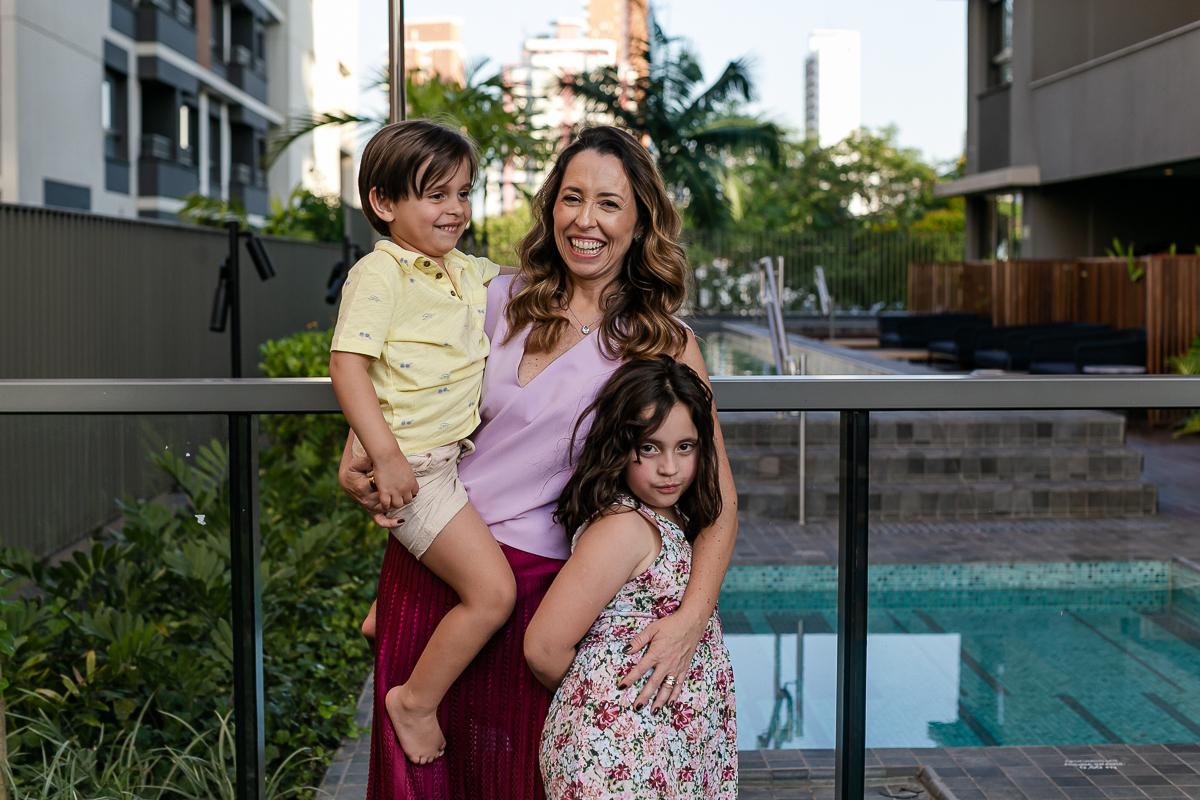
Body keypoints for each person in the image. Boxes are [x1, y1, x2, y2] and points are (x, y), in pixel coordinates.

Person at [340, 125, 738, 799]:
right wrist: (359, 448)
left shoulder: (665, 345)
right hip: (434, 563)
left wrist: (690, 620)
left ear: (640, 221)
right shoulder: (491, 295)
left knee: (513, 781)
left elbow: (717, 503)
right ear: (551, 206)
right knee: (417, 783)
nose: (586, 220)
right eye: (572, 197)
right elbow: (401, 378)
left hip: (542, 596)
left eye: (609, 204)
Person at [328, 119, 518, 765]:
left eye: (463, 193)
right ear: (384, 202)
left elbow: (525, 280)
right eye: (436, 195)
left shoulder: (461, 269)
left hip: (450, 461)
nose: (456, 209)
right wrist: (383, 456)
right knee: (493, 595)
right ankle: (414, 701)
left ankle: (382, 618)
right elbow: (348, 364)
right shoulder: (381, 272)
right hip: (415, 470)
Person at [527, 356, 737, 799]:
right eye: (650, 448)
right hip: (620, 759)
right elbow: (544, 647)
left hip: (666, 750)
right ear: (620, 446)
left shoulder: (675, 517)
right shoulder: (624, 528)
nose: (670, 468)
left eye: (685, 447)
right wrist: (609, 700)